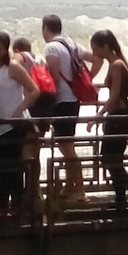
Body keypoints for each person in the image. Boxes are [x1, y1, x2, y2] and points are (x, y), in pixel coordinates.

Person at [0, 31, 36, 215]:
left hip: (12, 127)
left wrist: (18, 111)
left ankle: (15, 208)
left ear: (6, 50)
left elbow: (34, 90)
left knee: (12, 170)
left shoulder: (13, 67)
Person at [41, 15, 92, 203]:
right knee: (67, 145)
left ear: (46, 28)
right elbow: (97, 59)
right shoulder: (71, 44)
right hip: (73, 100)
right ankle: (71, 187)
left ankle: (78, 190)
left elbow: (53, 78)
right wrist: (87, 79)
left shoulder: (51, 47)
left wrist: (47, 102)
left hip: (61, 101)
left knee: (66, 147)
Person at [92, 29, 128, 209]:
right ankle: (122, 197)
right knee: (113, 158)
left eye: (96, 49)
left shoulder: (116, 66)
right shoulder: (118, 63)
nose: (94, 54)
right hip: (119, 117)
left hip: (118, 117)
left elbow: (114, 99)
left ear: (105, 46)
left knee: (109, 158)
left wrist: (97, 117)